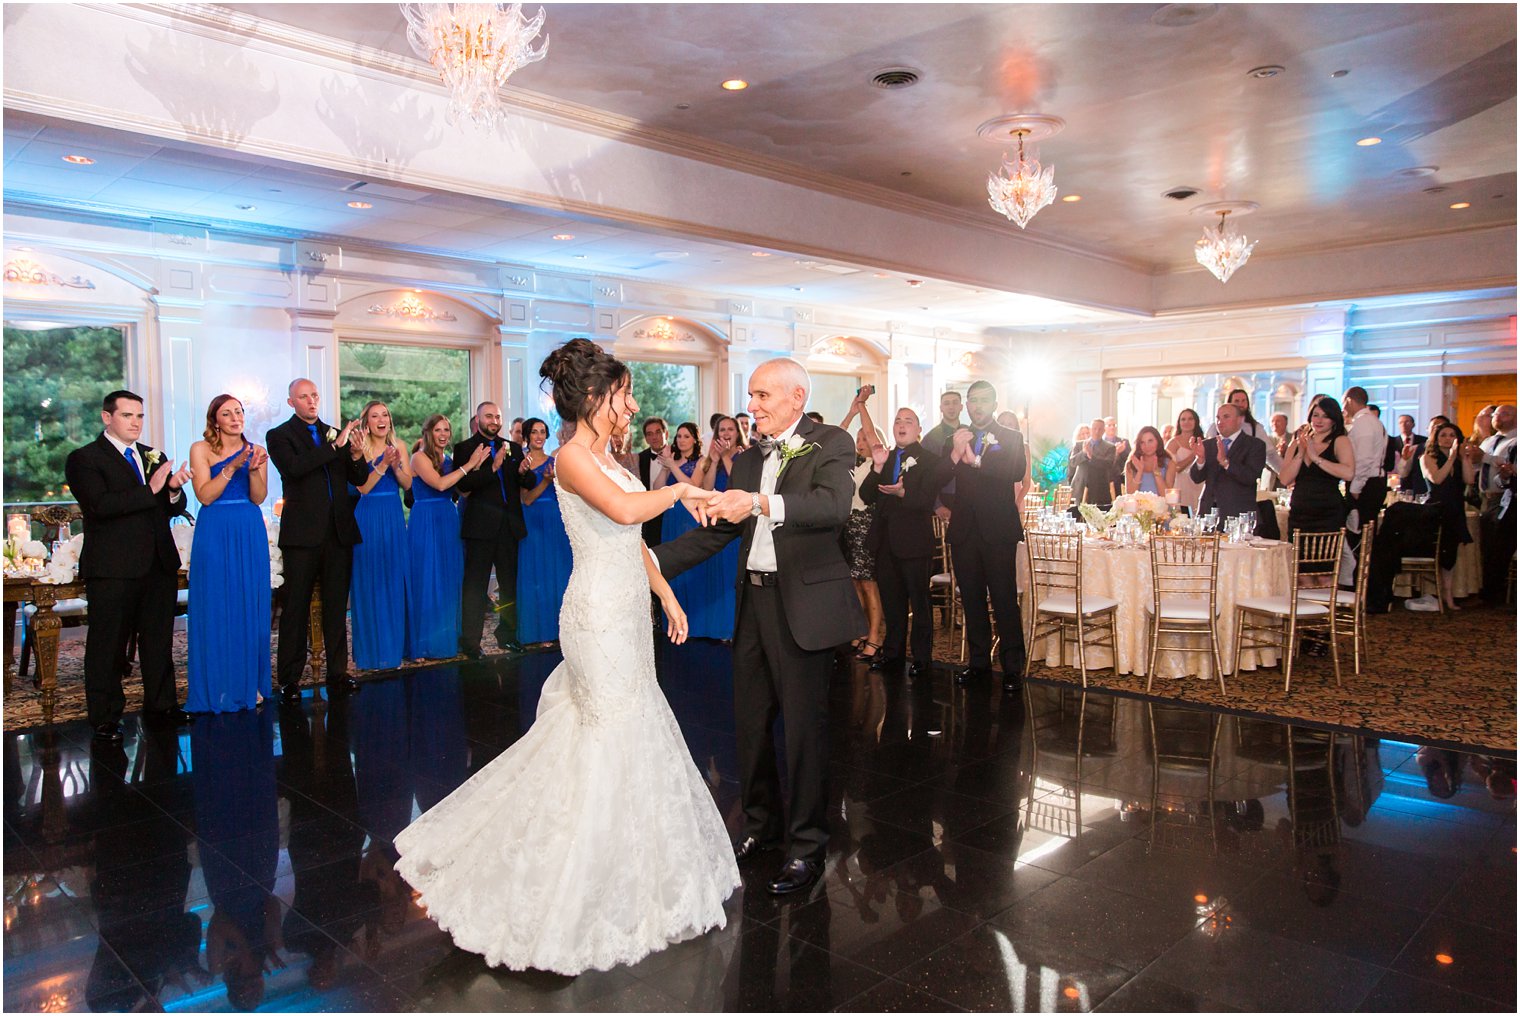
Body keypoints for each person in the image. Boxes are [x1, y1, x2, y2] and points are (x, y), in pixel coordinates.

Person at [394, 338, 734, 974]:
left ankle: (629, 872)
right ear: (596, 399)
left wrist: (666, 596)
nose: (632, 406)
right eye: (624, 395)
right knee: (605, 734)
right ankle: (571, 888)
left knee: (625, 731)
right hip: (596, 615)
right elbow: (626, 509)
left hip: (628, 609)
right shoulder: (572, 458)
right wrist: (683, 492)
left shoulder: (612, 456)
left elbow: (631, 539)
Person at [655, 357, 865, 895]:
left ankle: (808, 847)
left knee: (804, 732)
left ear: (797, 397)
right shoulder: (748, 459)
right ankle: (760, 827)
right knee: (749, 724)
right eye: (751, 396)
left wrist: (759, 502)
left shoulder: (833, 442)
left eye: (762, 396)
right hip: (752, 605)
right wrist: (653, 563)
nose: (752, 406)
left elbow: (832, 507)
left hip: (803, 609)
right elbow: (719, 532)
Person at [64, 389, 194, 742]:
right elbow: (99, 506)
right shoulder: (85, 458)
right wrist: (152, 488)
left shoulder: (154, 456)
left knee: (158, 641)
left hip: (157, 563)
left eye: (139, 416)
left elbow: (168, 509)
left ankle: (162, 705)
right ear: (108, 418)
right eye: (127, 416)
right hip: (113, 567)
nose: (136, 422)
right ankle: (105, 716)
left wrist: (171, 491)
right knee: (107, 644)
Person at [266, 378, 369, 700]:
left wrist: (355, 454)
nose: (311, 401)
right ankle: (290, 679)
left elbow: (359, 479)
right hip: (302, 535)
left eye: (314, 395)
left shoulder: (334, 433)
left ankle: (338, 673)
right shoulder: (280, 436)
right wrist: (335, 447)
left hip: (338, 532)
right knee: (295, 607)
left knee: (337, 607)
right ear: (291, 402)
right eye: (303, 397)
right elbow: (295, 469)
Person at [187, 394, 271, 713]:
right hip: (216, 527)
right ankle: (218, 684)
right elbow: (204, 496)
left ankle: (248, 682)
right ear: (215, 420)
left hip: (248, 527)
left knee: (248, 604)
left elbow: (259, 497)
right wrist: (231, 467)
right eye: (227, 413)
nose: (236, 417)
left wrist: (250, 470)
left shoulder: (257, 450)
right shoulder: (201, 449)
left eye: (239, 411)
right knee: (218, 604)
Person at [946, 381, 1027, 692]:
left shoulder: (1011, 437)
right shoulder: (957, 437)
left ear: (993, 404)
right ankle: (978, 662)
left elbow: (1015, 470)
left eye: (982, 401)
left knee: (1004, 599)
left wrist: (976, 462)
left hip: (997, 530)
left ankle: (1011, 667)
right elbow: (942, 473)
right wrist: (955, 452)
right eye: (972, 401)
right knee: (972, 599)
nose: (976, 407)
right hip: (965, 531)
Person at [861, 407, 948, 677]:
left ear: (919, 429)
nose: (901, 425)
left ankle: (922, 658)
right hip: (885, 542)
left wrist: (902, 493)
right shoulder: (885, 457)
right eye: (897, 420)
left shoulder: (930, 460)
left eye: (908, 421)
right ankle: (893, 654)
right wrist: (876, 466)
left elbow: (925, 501)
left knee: (919, 603)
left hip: (914, 540)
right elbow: (866, 495)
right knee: (892, 602)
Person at [409, 415, 486, 659]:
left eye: (447, 430)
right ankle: (425, 642)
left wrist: (483, 468)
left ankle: (448, 637)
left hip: (447, 517)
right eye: (438, 430)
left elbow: (462, 489)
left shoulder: (449, 459)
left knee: (449, 577)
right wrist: (468, 466)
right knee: (427, 577)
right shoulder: (418, 457)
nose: (443, 434)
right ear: (428, 432)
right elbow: (441, 485)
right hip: (426, 519)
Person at [454, 401, 528, 657]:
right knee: (475, 586)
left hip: (509, 527)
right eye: (489, 416)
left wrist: (523, 471)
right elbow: (463, 487)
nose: (494, 420)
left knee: (509, 586)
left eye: (497, 416)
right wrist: (493, 467)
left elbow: (523, 482)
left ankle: (507, 635)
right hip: (480, 528)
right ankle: (471, 642)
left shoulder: (514, 447)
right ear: (478, 419)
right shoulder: (464, 449)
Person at [348, 400, 412, 671]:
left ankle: (392, 649)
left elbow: (408, 484)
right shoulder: (359, 448)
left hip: (392, 514)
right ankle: (369, 652)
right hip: (368, 514)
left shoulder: (400, 446)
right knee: (369, 581)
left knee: (392, 580)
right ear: (367, 422)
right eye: (374, 416)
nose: (381, 419)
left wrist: (396, 465)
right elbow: (362, 487)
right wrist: (383, 464)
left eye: (384, 414)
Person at [515, 418, 574, 647]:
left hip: (556, 521)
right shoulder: (523, 464)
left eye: (542, 432)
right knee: (536, 574)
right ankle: (538, 632)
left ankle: (560, 631)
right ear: (527, 436)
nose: (539, 436)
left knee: (558, 572)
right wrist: (546, 482)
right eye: (534, 432)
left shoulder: (556, 462)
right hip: (533, 520)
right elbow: (526, 499)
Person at [841, 388, 887, 660]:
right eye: (857, 438)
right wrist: (852, 412)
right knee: (855, 583)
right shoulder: (855, 464)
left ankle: (874, 636)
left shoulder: (879, 465)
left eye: (864, 437)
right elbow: (838, 435)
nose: (860, 441)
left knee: (869, 583)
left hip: (867, 526)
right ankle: (859, 630)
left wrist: (862, 406)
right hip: (849, 526)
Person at [1422, 422, 1478, 610]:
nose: (1447, 438)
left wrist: (1465, 458)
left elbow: (1469, 480)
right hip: (1436, 510)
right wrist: (1452, 457)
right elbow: (1437, 479)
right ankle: (1432, 594)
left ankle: (1448, 596)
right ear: (1436, 438)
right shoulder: (1427, 457)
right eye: (1443, 435)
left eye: (1452, 435)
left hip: (1455, 509)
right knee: (1438, 552)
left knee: (1450, 556)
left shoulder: (1459, 459)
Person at [1279, 398, 1354, 538]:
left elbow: (1349, 473)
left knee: (1325, 557)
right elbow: (1284, 479)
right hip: (1300, 510)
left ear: (1334, 420)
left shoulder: (1340, 441)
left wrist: (1315, 458)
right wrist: (1301, 454)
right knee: (1297, 557)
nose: (1319, 420)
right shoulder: (1297, 443)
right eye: (1316, 415)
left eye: (1325, 416)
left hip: (1328, 511)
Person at [1189, 402, 1267, 520]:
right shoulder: (1208, 445)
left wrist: (1226, 463)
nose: (1220, 422)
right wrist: (1200, 460)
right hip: (1208, 513)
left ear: (1240, 419)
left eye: (1226, 417)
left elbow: (1250, 476)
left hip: (1238, 514)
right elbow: (1196, 478)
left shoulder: (1254, 445)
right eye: (1218, 418)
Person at [1342, 386, 1387, 580]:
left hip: (1367, 485)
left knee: (1359, 537)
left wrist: (1355, 488)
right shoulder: (1371, 422)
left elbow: (1364, 459)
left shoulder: (1364, 424)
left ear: (1350, 400)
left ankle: (1359, 585)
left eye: (1344, 401)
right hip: (1371, 482)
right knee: (1361, 537)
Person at [1477, 404, 1517, 602]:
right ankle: (1487, 589)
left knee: (1499, 547)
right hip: (1487, 496)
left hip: (1507, 499)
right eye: (1495, 414)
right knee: (1486, 546)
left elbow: (1510, 468)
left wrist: (1485, 458)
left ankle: (1494, 593)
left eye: (1504, 413)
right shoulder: (1489, 440)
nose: (1498, 417)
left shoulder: (1515, 441)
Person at [635, 417, 671, 548]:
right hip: (649, 516)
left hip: (671, 514)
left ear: (666, 433)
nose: (654, 437)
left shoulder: (677, 455)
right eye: (649, 434)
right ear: (646, 438)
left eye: (658, 432)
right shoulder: (639, 458)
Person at [1068, 417, 1116, 506]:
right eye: (1094, 429)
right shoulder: (1079, 445)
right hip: (1080, 488)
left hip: (1099, 489)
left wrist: (1092, 457)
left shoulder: (1110, 447)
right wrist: (1083, 453)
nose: (1097, 431)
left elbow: (1108, 464)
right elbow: (1073, 462)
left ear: (1104, 431)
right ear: (1090, 429)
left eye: (1100, 429)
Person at [1167, 408, 1207, 513]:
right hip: (1181, 486)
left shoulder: (1204, 441)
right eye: (1183, 419)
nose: (1186, 422)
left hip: (1199, 484)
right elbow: (1173, 468)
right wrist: (1193, 454)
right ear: (1179, 423)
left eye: (1190, 419)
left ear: (1196, 421)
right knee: (1184, 516)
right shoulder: (1173, 443)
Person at [1124, 425, 1175, 494]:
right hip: (1138, 504)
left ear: (1158, 441)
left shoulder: (1170, 463)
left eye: (1150, 441)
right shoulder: (1131, 464)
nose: (1147, 446)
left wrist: (1157, 473)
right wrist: (1139, 473)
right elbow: (1130, 495)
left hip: (1161, 504)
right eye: (1142, 442)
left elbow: (1167, 496)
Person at [1392, 413, 1428, 497]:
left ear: (1413, 424)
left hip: (1418, 481)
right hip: (1399, 481)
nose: (1404, 425)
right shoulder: (1392, 442)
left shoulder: (1423, 441)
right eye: (1401, 422)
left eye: (1407, 422)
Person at [921, 390, 964, 456]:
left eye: (955, 403)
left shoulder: (969, 432)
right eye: (947, 403)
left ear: (961, 407)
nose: (951, 407)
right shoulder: (930, 439)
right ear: (941, 408)